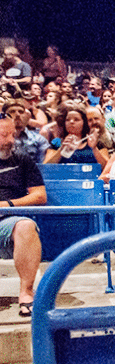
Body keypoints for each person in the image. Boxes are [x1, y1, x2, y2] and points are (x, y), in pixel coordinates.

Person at [0, 115, 46, 317]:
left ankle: (27, 293)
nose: (11, 140)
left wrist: (8, 204)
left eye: (13, 134)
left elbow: (39, 195)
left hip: (9, 221)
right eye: (4, 135)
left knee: (26, 225)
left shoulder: (22, 159)